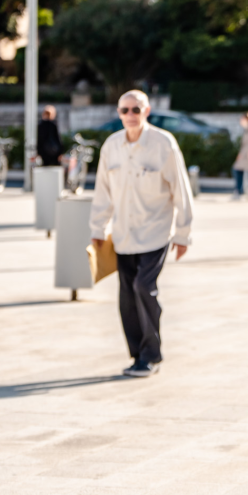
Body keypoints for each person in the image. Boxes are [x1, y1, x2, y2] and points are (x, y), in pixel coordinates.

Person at [89, 90, 194, 378]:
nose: (130, 115)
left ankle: (151, 355)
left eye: (136, 109)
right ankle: (137, 355)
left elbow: (181, 191)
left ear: (146, 111)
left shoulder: (163, 144)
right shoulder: (111, 146)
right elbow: (102, 191)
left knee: (143, 288)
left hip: (156, 233)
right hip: (123, 236)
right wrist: (98, 228)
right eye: (124, 110)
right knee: (126, 297)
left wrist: (183, 234)